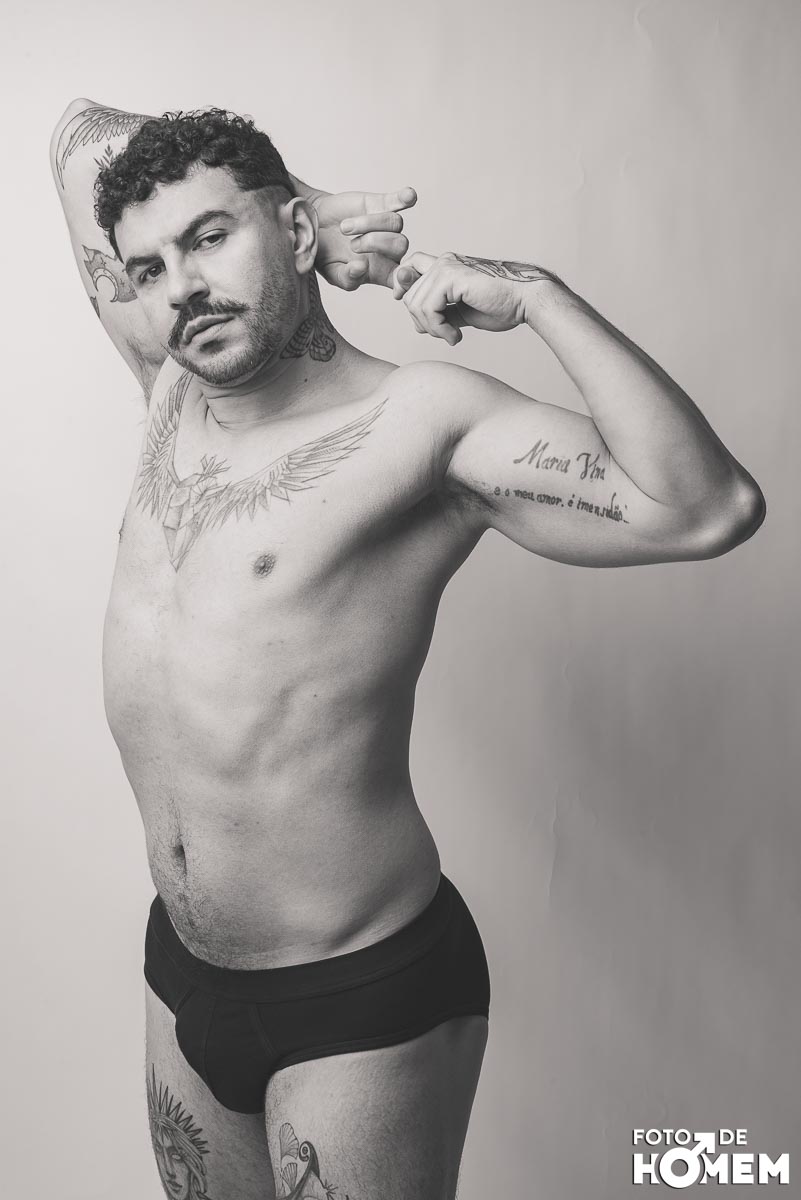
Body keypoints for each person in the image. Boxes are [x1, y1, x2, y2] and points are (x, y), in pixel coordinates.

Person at [50, 100, 764, 1200]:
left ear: (293, 237)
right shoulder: (169, 390)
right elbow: (75, 134)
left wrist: (538, 299)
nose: (180, 287)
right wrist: (306, 200)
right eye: (148, 267)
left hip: (355, 996)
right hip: (181, 969)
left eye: (211, 237)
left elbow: (705, 508)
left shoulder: (418, 424)